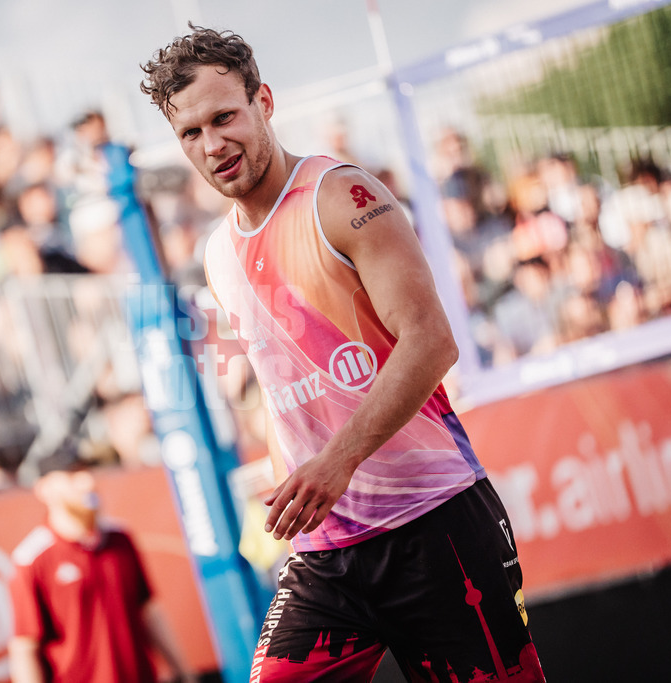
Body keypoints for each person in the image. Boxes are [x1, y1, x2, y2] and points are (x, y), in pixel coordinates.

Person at [141, 25, 545, 682]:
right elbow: (285, 390)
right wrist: (290, 497)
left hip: (435, 524)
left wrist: (336, 461)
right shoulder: (217, 254)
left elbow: (432, 341)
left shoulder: (340, 196)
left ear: (264, 101)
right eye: (191, 133)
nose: (212, 145)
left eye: (224, 118)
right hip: (326, 554)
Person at [7, 459, 196, 683]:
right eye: (72, 476)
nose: (86, 483)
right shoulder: (31, 559)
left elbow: (149, 613)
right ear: (44, 489)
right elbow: (25, 648)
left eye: (86, 472)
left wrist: (184, 673)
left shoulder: (120, 539)